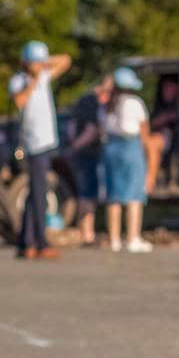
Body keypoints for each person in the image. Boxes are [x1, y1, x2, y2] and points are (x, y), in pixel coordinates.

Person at [7, 40, 71, 260]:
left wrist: (43, 63)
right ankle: (40, 242)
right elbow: (19, 101)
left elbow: (65, 60)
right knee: (38, 194)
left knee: (36, 193)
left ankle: (27, 242)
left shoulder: (44, 76)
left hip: (45, 142)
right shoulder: (18, 81)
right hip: (32, 144)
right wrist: (31, 81)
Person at [103, 66, 153, 253]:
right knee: (134, 195)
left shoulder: (108, 105)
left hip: (111, 148)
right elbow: (144, 134)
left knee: (114, 195)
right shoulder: (135, 103)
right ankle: (132, 238)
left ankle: (114, 239)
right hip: (130, 148)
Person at [65, 74, 112, 246]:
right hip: (88, 152)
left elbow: (71, 125)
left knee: (85, 193)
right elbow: (91, 130)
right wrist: (77, 146)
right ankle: (87, 234)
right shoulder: (92, 102)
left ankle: (84, 231)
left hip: (83, 152)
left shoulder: (83, 100)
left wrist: (73, 144)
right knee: (88, 194)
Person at [143, 75, 179, 194]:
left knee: (152, 144)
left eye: (170, 87)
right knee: (150, 144)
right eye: (165, 87)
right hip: (157, 136)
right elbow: (151, 123)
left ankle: (149, 182)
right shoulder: (159, 104)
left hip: (170, 138)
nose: (167, 90)